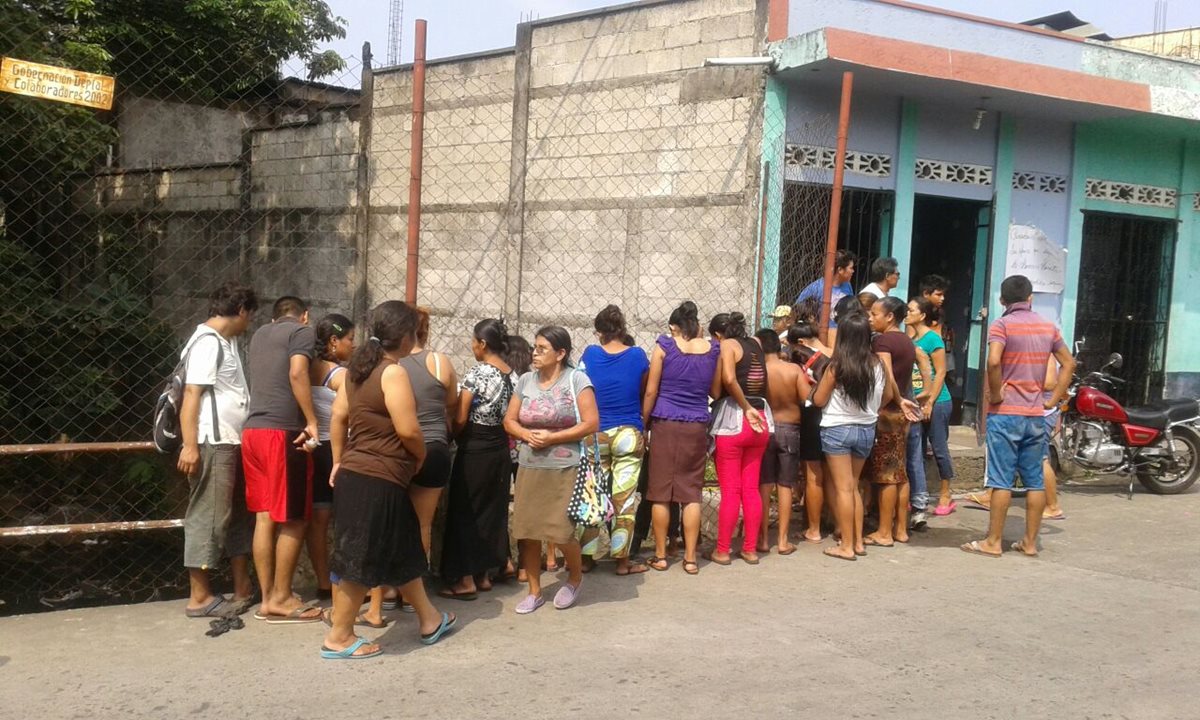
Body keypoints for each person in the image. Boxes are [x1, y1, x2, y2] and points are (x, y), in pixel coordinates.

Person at [322, 301, 454, 659]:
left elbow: (338, 416)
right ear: (407, 336)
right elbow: (409, 430)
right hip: (378, 476)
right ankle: (339, 637)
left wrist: (338, 461)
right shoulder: (392, 372)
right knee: (359, 558)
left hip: (358, 473)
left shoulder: (356, 369)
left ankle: (429, 619)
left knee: (404, 547)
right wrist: (420, 456)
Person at [962, 275, 1073, 559]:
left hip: (1006, 414)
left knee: (1001, 480)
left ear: (1002, 300)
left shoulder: (1001, 325)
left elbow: (993, 360)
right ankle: (1030, 543)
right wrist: (1054, 399)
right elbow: (1068, 363)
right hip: (1035, 414)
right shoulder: (1048, 327)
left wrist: (995, 394)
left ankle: (993, 541)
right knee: (1034, 480)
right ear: (1030, 298)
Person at [504, 326, 599, 614]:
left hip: (564, 468)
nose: (534, 353)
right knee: (528, 530)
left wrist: (552, 438)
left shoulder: (577, 379)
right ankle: (534, 592)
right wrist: (525, 434)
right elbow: (509, 420)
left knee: (561, 532)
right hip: (529, 466)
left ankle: (574, 578)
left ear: (560, 354)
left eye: (542, 348)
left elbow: (591, 423)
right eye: (534, 347)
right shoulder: (525, 380)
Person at [177, 281, 258, 618]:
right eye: (249, 315)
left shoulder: (227, 342)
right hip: (214, 440)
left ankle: (242, 586)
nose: (249, 322)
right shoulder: (207, 342)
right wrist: (190, 446)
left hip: (231, 440)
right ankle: (199, 596)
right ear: (240, 311)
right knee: (208, 515)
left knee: (235, 513)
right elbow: (191, 395)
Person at [242, 296, 322, 623]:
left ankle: (268, 598)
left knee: (265, 517)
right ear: (304, 315)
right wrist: (312, 421)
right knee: (295, 518)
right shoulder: (302, 332)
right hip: (282, 433)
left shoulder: (260, 334)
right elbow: (298, 372)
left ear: (274, 317)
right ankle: (282, 596)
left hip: (253, 432)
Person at [811, 313, 904, 561]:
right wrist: (871, 410)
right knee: (853, 487)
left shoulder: (836, 366)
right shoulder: (878, 364)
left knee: (843, 489)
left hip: (837, 429)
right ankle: (858, 542)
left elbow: (818, 400)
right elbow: (887, 395)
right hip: (866, 429)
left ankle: (846, 546)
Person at [643, 301, 720, 575]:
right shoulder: (713, 349)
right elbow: (715, 390)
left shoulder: (664, 346)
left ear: (674, 326)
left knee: (660, 493)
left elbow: (651, 391)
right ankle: (690, 559)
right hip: (696, 424)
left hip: (665, 422)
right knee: (691, 493)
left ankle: (661, 556)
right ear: (697, 325)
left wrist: (643, 422)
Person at [440, 319, 515, 598]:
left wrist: (451, 435)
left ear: (482, 344)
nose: (472, 346)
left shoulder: (478, 373)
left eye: (473, 341)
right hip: (500, 448)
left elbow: (461, 417)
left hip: (475, 448)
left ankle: (465, 580)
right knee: (491, 511)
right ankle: (483, 576)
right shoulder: (513, 375)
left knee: (465, 510)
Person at [579, 305, 650, 576]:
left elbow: (582, 387)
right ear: (623, 329)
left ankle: (586, 559)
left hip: (595, 433)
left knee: (592, 495)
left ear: (599, 331)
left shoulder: (590, 354)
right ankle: (622, 562)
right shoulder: (638, 355)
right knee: (625, 498)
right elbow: (642, 389)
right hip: (628, 433)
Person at [708, 313, 771, 566]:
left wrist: (745, 406)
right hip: (762, 420)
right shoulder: (756, 343)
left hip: (734, 419)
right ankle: (750, 549)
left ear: (718, 335)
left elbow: (726, 382)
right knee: (751, 488)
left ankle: (722, 550)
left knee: (731, 490)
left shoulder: (726, 346)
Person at [307, 313, 354, 602]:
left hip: (312, 449)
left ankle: (324, 583)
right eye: (350, 339)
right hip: (336, 451)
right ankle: (345, 586)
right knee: (346, 522)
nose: (353, 345)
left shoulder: (304, 368)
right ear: (334, 341)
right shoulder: (340, 375)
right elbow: (346, 417)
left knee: (317, 521)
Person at [864, 297, 917, 547]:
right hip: (902, 412)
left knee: (886, 475)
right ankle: (901, 529)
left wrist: (894, 400)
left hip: (888, 411)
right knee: (900, 472)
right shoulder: (907, 340)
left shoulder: (883, 341)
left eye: (875, 314)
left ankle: (884, 532)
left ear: (890, 317)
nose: (870, 318)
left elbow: (887, 375)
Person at [755, 328, 811, 555]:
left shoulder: (758, 371)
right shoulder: (793, 370)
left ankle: (762, 539)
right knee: (785, 485)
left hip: (765, 428)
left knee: (764, 484)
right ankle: (783, 540)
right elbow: (806, 398)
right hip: (789, 428)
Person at [907, 297, 955, 517]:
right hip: (917, 400)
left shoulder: (933, 339)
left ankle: (946, 493)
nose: (907, 313)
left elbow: (941, 372)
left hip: (938, 401)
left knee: (939, 448)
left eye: (911, 310)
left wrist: (930, 402)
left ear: (922, 315)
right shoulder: (911, 339)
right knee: (916, 450)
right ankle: (918, 494)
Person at [788, 320, 831, 543]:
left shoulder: (799, 359)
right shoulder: (831, 357)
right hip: (832, 419)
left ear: (799, 342)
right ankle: (833, 522)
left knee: (813, 475)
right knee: (831, 475)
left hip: (810, 419)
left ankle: (813, 528)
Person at [796, 249, 857, 347]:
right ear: (840, 270)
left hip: (844, 335)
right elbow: (799, 307)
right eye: (851, 268)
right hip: (824, 337)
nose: (853, 271)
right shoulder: (817, 287)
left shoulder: (847, 286)